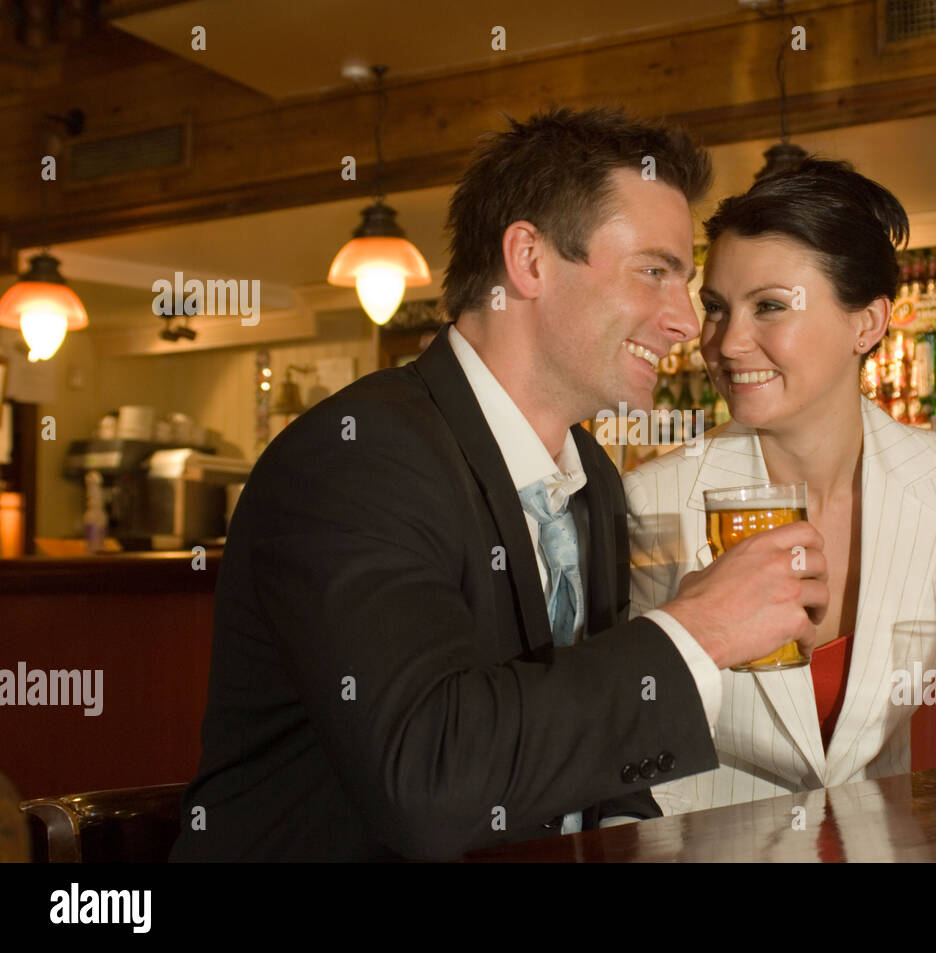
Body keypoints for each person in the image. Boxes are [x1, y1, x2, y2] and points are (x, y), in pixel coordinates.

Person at [170, 107, 828, 861]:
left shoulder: (595, 481)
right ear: (530, 259)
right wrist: (699, 628)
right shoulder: (358, 460)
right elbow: (432, 777)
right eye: (656, 271)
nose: (686, 322)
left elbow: (594, 768)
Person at [623, 158, 936, 814]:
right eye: (716, 309)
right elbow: (615, 726)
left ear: (867, 323)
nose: (724, 343)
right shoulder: (653, 500)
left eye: (769, 306)